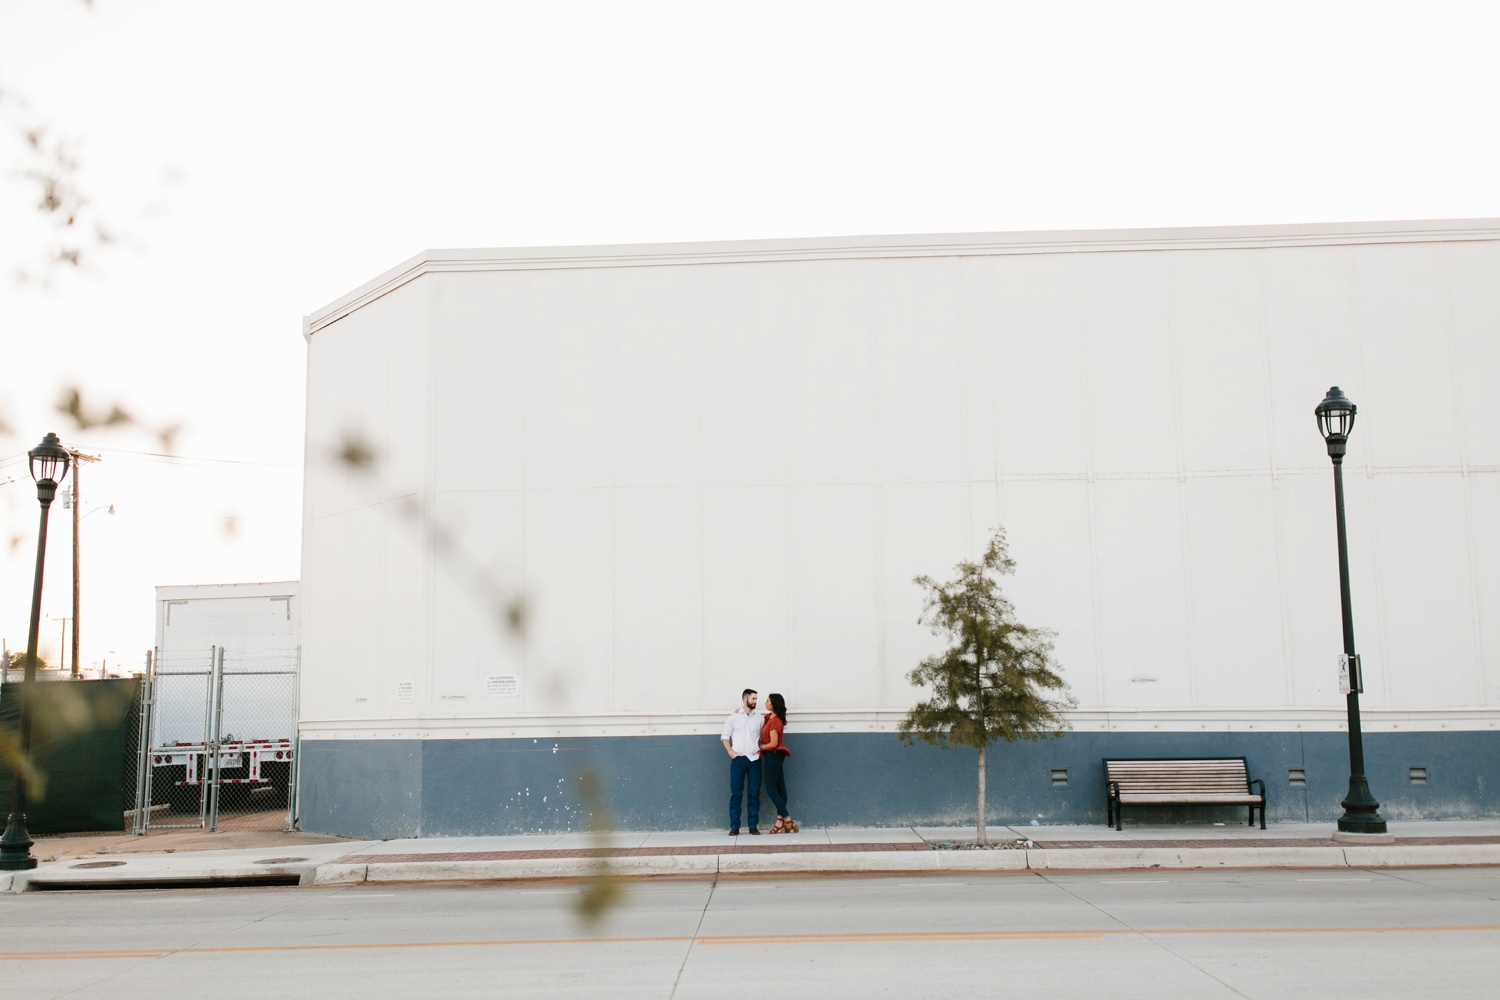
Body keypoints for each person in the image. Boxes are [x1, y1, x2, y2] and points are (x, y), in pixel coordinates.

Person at [720, 688, 762, 835]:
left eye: (756, 699)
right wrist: (731, 752)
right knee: (736, 793)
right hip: (738, 759)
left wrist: (760, 749)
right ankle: (734, 827)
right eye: (753, 699)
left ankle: (753, 826)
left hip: (754, 760)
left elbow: (764, 736)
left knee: (754, 793)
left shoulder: (759, 718)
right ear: (745, 700)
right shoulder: (733, 717)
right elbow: (724, 737)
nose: (756, 701)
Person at [759, 692, 797, 833]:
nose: (765, 703)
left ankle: (787, 819)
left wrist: (760, 747)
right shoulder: (769, 717)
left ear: (773, 704)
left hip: (773, 755)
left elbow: (773, 743)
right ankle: (780, 820)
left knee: (770, 789)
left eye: (768, 701)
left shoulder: (775, 721)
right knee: (780, 788)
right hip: (775, 756)